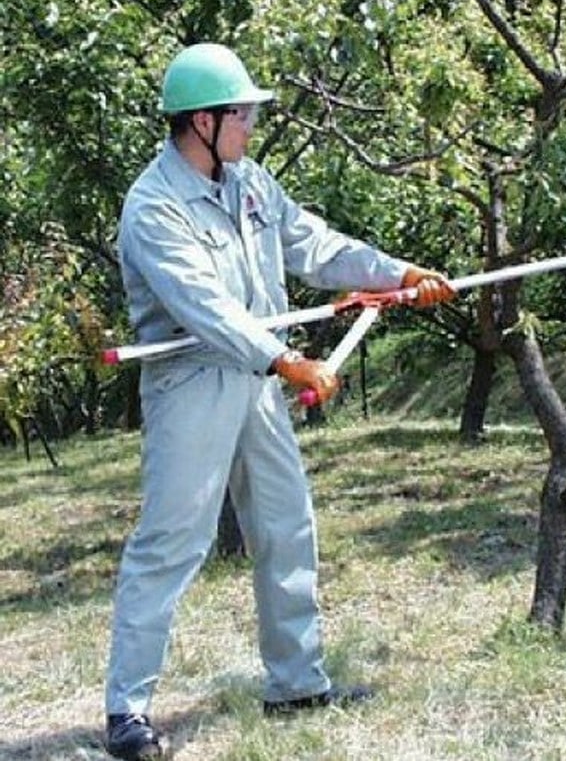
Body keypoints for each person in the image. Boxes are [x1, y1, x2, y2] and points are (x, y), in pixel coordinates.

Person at [104, 42, 455, 761]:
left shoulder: (252, 184)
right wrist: (290, 362)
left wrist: (397, 272)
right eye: (243, 115)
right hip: (193, 382)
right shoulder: (153, 207)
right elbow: (204, 308)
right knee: (172, 542)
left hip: (260, 382)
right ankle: (127, 712)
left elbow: (315, 246)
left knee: (286, 524)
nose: (252, 127)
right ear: (202, 121)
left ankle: (297, 683)